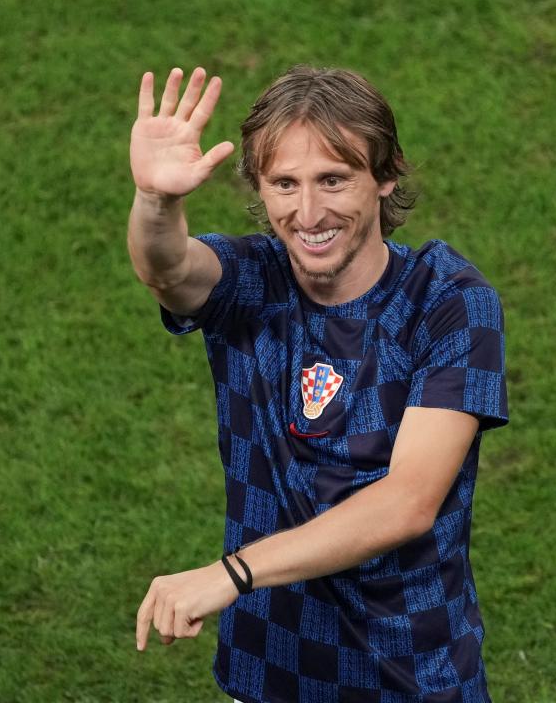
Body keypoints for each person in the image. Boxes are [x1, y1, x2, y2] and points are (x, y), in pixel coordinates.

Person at [127, 65, 509, 703]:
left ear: (385, 177)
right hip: (267, 673)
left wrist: (233, 574)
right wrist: (157, 200)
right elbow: (167, 270)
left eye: (333, 179)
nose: (308, 213)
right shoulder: (252, 281)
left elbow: (408, 500)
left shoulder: (446, 302)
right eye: (285, 184)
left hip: (409, 676)